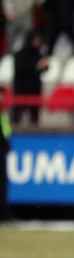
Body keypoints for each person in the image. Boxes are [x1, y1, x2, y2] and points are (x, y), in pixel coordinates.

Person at [12, 30, 49, 125]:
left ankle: (35, 132)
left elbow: (44, 69)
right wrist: (37, 67)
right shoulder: (20, 54)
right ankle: (13, 132)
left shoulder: (39, 54)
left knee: (34, 117)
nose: (37, 42)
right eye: (36, 39)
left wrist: (45, 66)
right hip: (21, 90)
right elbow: (21, 68)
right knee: (17, 117)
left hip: (34, 90)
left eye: (39, 40)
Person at [0, 87, 11, 222]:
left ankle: (3, 213)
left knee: (3, 183)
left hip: (2, 150)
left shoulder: (3, 112)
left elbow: (5, 131)